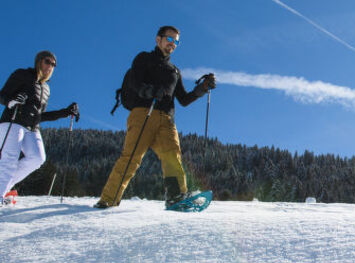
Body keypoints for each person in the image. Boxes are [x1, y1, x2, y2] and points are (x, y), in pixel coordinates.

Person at [94, 25, 215, 209]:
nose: (172, 44)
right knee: (131, 157)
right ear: (158, 39)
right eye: (169, 39)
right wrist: (149, 90)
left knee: (173, 157)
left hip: (166, 119)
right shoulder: (144, 58)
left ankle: (176, 196)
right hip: (143, 113)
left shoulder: (175, 71)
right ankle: (108, 199)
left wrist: (202, 88)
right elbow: (134, 81)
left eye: (176, 41)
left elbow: (183, 99)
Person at [0, 51, 80, 204]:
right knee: (9, 159)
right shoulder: (22, 74)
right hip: (13, 121)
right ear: (38, 61)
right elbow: (2, 95)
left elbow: (40, 116)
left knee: (37, 158)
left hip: (32, 127)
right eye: (47, 61)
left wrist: (65, 112)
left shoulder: (46, 89)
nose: (50, 66)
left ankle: (3, 188)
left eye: (53, 64)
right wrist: (12, 100)